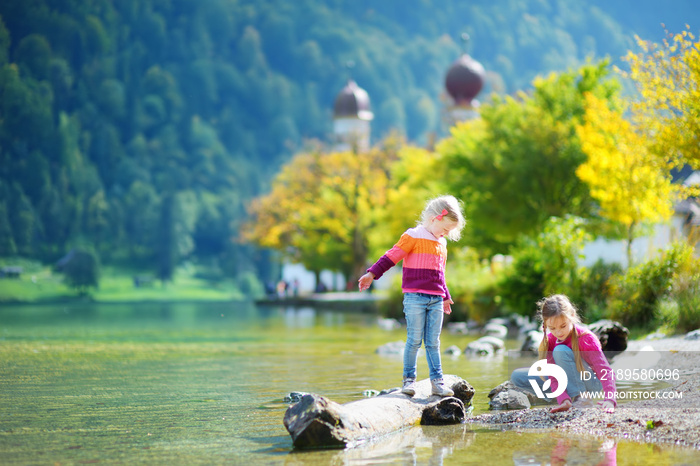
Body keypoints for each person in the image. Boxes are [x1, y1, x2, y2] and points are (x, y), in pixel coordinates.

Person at [358, 195, 465, 397]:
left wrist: (445, 296)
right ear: (435, 218)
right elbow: (391, 256)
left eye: (449, 232)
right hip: (415, 297)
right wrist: (372, 273)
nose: (446, 234)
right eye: (445, 229)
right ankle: (409, 380)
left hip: (436, 298)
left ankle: (437, 382)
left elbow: (440, 273)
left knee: (433, 342)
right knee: (414, 340)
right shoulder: (413, 236)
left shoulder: (442, 244)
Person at [511, 294, 617, 413]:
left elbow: (605, 370)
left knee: (560, 351)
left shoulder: (586, 338)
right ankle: (566, 399)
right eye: (552, 328)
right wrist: (563, 399)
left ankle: (582, 398)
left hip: (589, 382)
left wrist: (610, 399)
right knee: (517, 377)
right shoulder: (550, 340)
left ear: (571, 316)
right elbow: (553, 374)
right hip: (566, 380)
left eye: (563, 326)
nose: (558, 332)